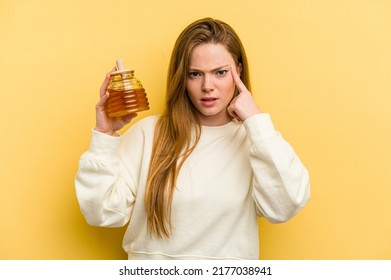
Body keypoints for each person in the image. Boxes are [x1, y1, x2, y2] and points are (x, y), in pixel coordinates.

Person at [75, 17, 310, 260]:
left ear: (238, 71)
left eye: (220, 72)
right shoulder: (148, 133)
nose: (207, 86)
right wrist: (104, 135)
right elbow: (101, 212)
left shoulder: (255, 141)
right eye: (195, 74)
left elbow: (285, 205)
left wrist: (257, 123)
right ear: (182, 77)